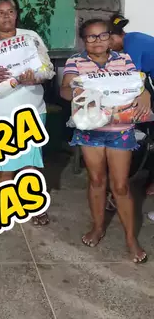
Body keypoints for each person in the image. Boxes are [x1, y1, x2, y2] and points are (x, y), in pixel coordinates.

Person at [60, 18, 149, 263]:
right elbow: (65, 90)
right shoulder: (75, 62)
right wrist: (75, 91)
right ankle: (98, 227)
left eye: (102, 35)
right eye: (91, 36)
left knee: (120, 186)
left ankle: (131, 239)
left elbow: (137, 86)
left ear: (110, 38)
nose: (97, 41)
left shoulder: (124, 60)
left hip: (120, 129)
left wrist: (145, 95)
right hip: (91, 129)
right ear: (83, 40)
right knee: (97, 180)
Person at [0, 0, 51, 226]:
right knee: (3, 164)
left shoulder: (30, 37)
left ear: (16, 15)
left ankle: (34, 205)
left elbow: (46, 69)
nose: (6, 17)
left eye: (10, 12)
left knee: (29, 164)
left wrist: (36, 77)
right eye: (1, 13)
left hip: (31, 112)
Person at [109, 13, 154, 207]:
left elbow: (133, 79)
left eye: (109, 42)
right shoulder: (134, 39)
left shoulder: (132, 44)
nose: (109, 47)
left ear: (116, 36)